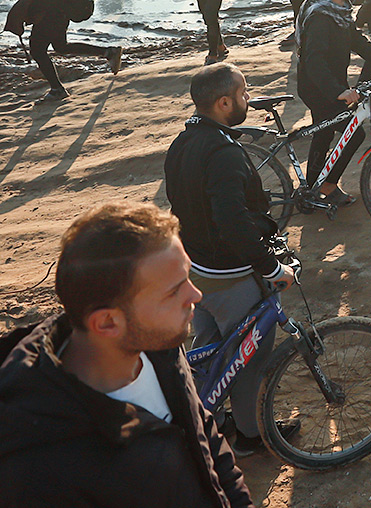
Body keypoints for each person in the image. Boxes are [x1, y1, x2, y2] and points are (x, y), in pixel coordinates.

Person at [0, 202, 254, 506]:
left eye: (188, 276)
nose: (195, 295)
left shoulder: (160, 345)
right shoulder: (42, 471)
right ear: (107, 322)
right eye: (173, 291)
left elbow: (204, 437)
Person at [163, 63, 296, 455]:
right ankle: (251, 436)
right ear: (224, 103)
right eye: (244, 93)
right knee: (250, 358)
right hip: (227, 272)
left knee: (210, 345)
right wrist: (271, 267)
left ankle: (214, 420)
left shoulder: (183, 142)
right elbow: (232, 221)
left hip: (195, 265)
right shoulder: (223, 152)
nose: (248, 99)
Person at [296, 0, 371, 203]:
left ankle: (313, 188)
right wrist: (339, 91)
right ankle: (328, 186)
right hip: (318, 87)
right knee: (354, 135)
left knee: (323, 133)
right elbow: (314, 62)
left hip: (328, 84)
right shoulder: (321, 17)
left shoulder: (338, 9)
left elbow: (357, 40)